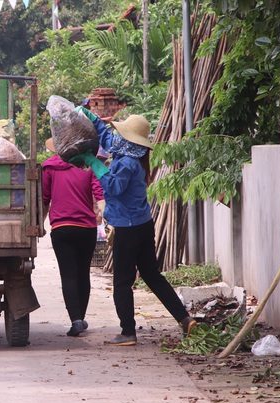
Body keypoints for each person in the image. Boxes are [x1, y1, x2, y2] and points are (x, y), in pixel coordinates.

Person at [69, 112, 196, 346]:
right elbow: (107, 138)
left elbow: (114, 187)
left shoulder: (127, 162)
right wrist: (91, 118)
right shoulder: (129, 153)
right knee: (152, 275)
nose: (117, 135)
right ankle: (185, 319)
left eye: (122, 132)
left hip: (129, 230)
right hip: (142, 225)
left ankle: (128, 331)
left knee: (122, 282)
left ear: (129, 138)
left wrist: (95, 162)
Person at [42, 137, 105, 337]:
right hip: (86, 228)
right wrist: (106, 221)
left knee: (68, 275)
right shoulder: (89, 166)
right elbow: (99, 194)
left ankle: (76, 320)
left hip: (61, 228)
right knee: (82, 273)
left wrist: (39, 225)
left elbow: (44, 199)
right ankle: (81, 318)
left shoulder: (49, 167)